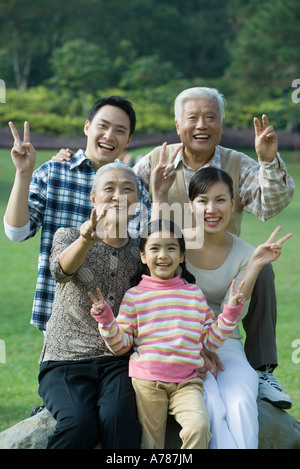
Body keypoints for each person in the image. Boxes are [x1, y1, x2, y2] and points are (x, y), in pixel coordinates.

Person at [133, 86, 295, 409]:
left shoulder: (236, 163)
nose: (202, 125)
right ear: (178, 125)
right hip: (172, 271)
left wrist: (268, 161)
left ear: (221, 124)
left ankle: (262, 370)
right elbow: (128, 215)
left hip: (225, 268)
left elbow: (270, 203)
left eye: (211, 117)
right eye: (192, 118)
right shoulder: (155, 160)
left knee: (261, 268)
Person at [151, 160, 292, 448]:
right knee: (211, 407)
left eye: (220, 200)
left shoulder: (245, 253)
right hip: (181, 346)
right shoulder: (176, 246)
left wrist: (254, 266)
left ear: (233, 203)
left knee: (240, 402)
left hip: (226, 345)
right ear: (191, 205)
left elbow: (231, 310)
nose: (211, 209)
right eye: (203, 201)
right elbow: (158, 286)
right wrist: (159, 197)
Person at [89, 218, 246, 449]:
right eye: (155, 248)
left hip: (188, 383)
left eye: (171, 248)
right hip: (148, 382)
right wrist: (106, 320)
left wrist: (230, 312)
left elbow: (210, 341)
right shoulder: (134, 296)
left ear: (182, 256)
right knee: (151, 444)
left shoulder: (194, 294)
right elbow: (121, 345)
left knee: (199, 427)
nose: (163, 255)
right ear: (143, 256)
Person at [3, 96, 151, 332]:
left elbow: (145, 251)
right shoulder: (54, 172)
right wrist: (23, 173)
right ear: (87, 127)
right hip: (60, 319)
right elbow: (17, 232)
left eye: (120, 131)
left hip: (119, 321)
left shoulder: (136, 190)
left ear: (129, 139)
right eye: (102, 126)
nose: (109, 136)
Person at [38, 162, 142, 449]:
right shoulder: (69, 236)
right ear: (94, 198)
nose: (118, 195)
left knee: (118, 416)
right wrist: (86, 240)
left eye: (127, 189)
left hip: (117, 360)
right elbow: (60, 271)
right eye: (109, 189)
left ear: (137, 201)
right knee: (79, 424)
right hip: (64, 361)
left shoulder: (142, 250)